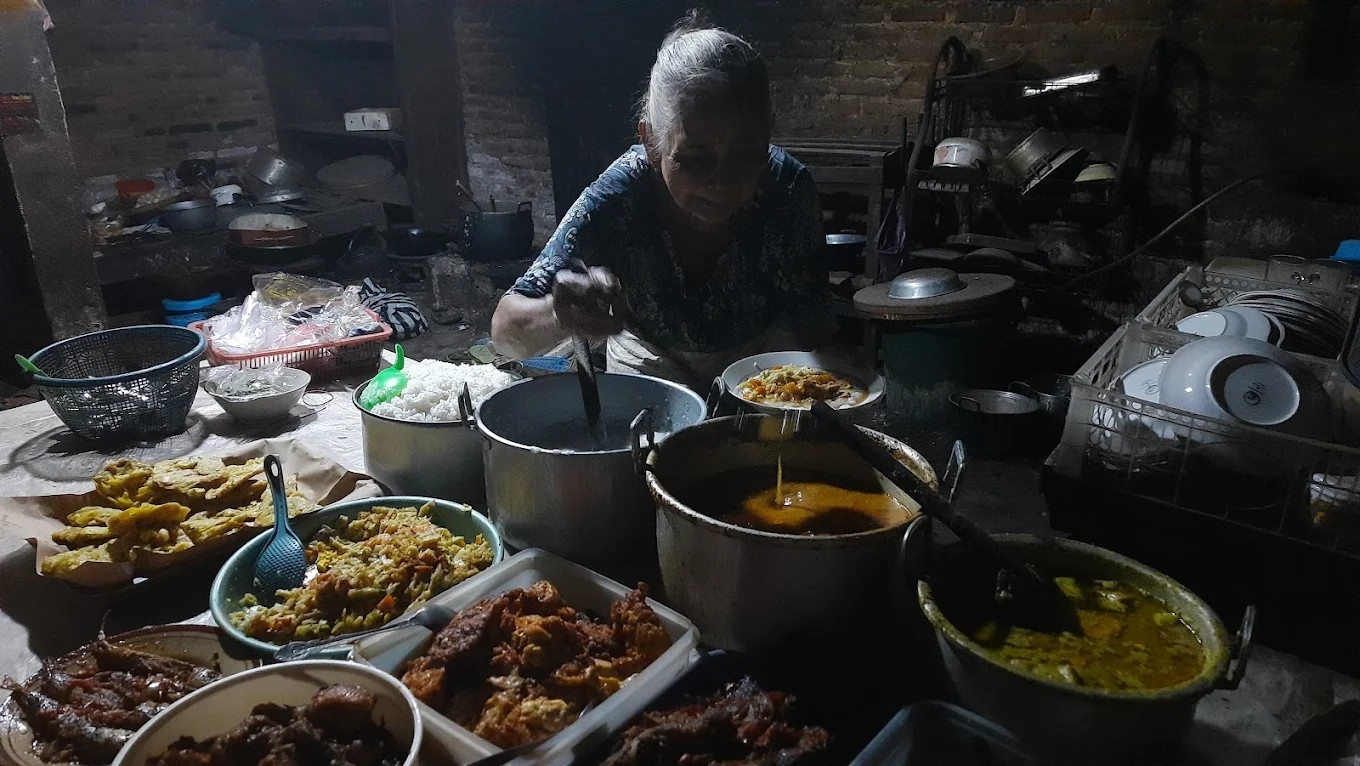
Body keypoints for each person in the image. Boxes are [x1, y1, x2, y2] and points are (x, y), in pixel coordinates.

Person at [490, 13, 832, 389]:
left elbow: (810, 321)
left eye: (746, 154)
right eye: (694, 158)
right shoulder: (622, 196)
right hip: (652, 371)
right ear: (652, 144)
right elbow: (505, 334)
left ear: (769, 131)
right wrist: (560, 313)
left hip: (763, 369)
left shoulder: (788, 187)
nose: (721, 181)